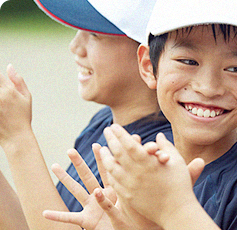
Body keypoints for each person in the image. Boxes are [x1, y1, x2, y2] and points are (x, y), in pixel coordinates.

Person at [44, 0, 237, 229]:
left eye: (235, 68)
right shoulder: (146, 172)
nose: (208, 87)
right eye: (188, 62)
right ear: (148, 66)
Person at [0, 0, 171, 229]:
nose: (75, 46)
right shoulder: (105, 122)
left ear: (147, 58)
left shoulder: (158, 152)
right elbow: (34, 223)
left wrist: (17, 139)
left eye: (93, 34)